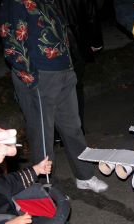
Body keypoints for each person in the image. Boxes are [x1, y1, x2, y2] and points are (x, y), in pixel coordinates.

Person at [0, 0, 108, 192]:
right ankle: (44, 187)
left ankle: (84, 176)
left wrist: (70, 67)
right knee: (42, 135)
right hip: (40, 76)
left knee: (73, 128)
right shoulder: (16, 2)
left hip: (63, 72)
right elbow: (12, 41)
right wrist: (30, 78)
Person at [54, 0, 104, 134]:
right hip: (76, 41)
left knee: (54, 88)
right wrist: (96, 42)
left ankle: (58, 132)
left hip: (52, 45)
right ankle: (77, 129)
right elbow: (91, 14)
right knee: (75, 87)